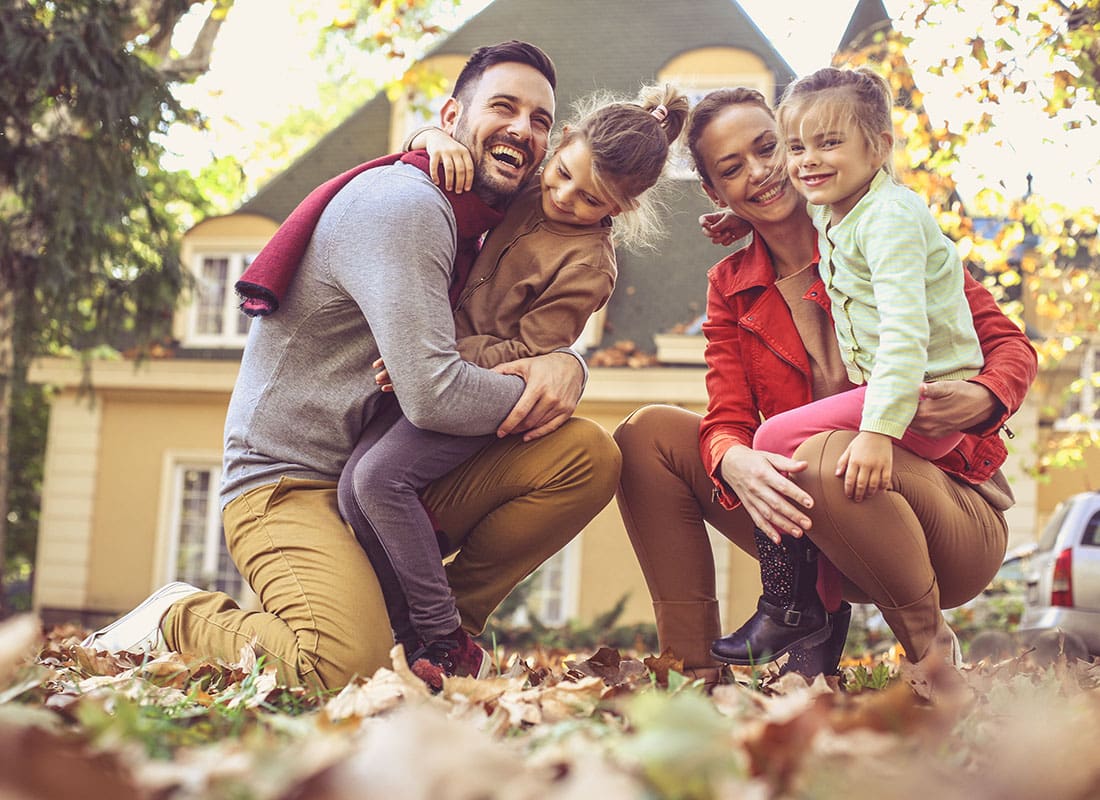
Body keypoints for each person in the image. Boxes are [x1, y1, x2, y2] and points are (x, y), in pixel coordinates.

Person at [81, 41, 621, 691]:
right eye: (503, 107)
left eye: (540, 120)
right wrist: (543, 379)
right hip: (286, 485)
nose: (523, 130)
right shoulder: (409, 203)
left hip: (378, 473)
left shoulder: (495, 216)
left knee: (586, 456)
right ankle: (179, 617)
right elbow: (433, 397)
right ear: (452, 118)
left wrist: (566, 362)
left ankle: (438, 633)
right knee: (342, 668)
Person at [614, 86, 1035, 690]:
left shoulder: (881, 230)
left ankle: (930, 656)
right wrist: (732, 460)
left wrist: (986, 396)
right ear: (714, 193)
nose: (761, 173)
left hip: (942, 514)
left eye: (769, 149)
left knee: (820, 452)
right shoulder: (731, 285)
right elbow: (727, 412)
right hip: (813, 530)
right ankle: (700, 669)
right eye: (733, 170)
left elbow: (1010, 345)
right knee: (647, 435)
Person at [337, 85, 688, 690]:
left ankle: (446, 637)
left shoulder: (589, 266)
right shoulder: (525, 185)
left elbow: (529, 351)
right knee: (352, 492)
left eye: (589, 199)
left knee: (378, 481)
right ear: (562, 145)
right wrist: (427, 137)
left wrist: (430, 350)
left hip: (482, 392)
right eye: (562, 174)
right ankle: (410, 638)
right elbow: (442, 155)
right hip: (426, 373)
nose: (562, 196)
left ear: (623, 207)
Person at [709, 66, 986, 668]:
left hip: (924, 404)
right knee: (796, 461)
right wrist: (746, 215)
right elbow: (803, 216)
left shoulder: (888, 222)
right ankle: (811, 623)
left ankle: (789, 606)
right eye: (797, 147)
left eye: (828, 143)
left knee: (776, 438)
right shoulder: (840, 214)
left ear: (881, 147)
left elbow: (909, 335)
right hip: (903, 405)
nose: (805, 161)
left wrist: (878, 432)